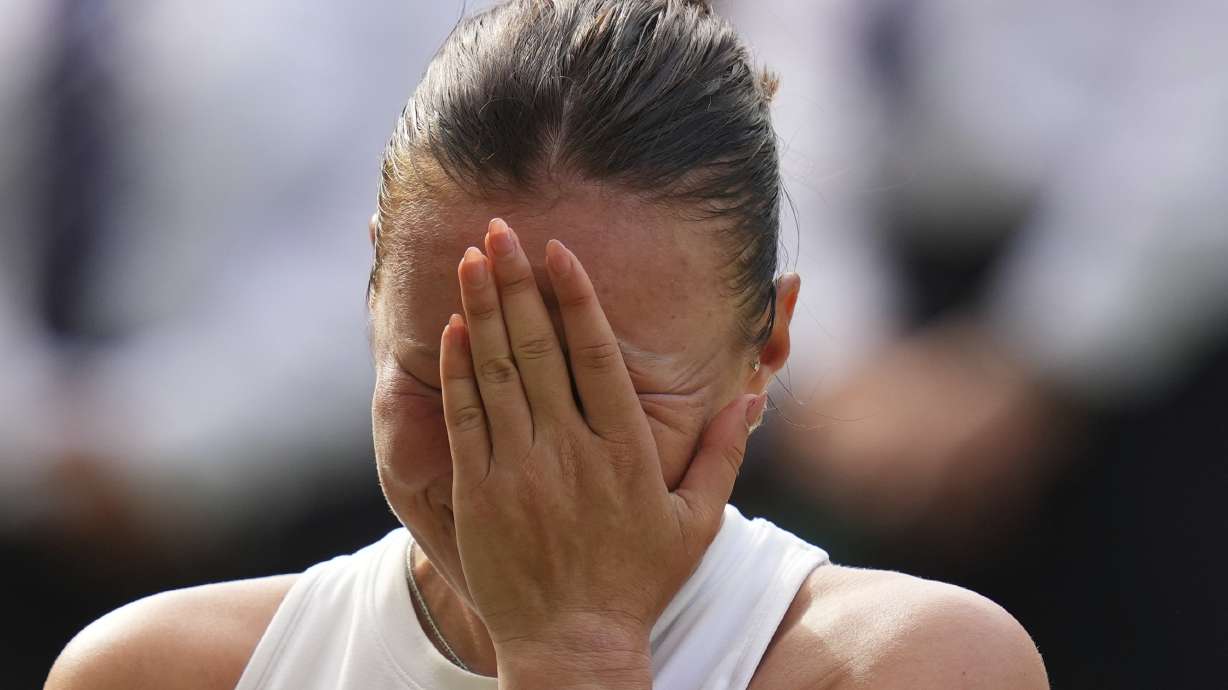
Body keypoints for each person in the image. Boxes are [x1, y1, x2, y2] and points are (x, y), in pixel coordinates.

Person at [44, 1, 1047, 688]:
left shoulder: (909, 662)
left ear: (766, 347)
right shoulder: (160, 669)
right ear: (371, 302)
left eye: (605, 392)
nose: (520, 464)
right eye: (450, 377)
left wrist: (577, 648)